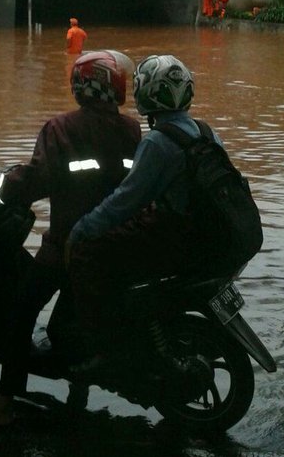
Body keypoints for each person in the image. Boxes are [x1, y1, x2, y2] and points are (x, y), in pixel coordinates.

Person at [0, 49, 141, 426]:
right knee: (69, 314)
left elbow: (33, 181)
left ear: (80, 87)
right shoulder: (131, 130)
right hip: (119, 243)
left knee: (22, 310)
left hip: (69, 245)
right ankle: (78, 386)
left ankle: (4, 403)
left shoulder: (60, 129)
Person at [67, 54, 226, 354]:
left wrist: (82, 229)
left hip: (175, 239)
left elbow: (125, 202)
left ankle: (97, 345)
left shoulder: (157, 142)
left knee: (87, 255)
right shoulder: (206, 132)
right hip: (204, 235)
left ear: (145, 93)